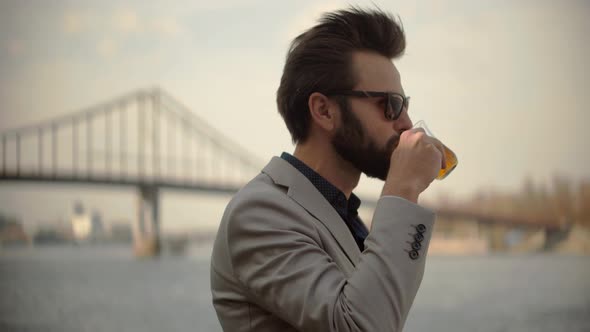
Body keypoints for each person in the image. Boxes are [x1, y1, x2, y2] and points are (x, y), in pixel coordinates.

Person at [210, 6, 446, 332]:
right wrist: (404, 188)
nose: (406, 123)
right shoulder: (260, 212)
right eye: (390, 105)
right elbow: (360, 325)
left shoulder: (340, 213)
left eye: (405, 105)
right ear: (324, 111)